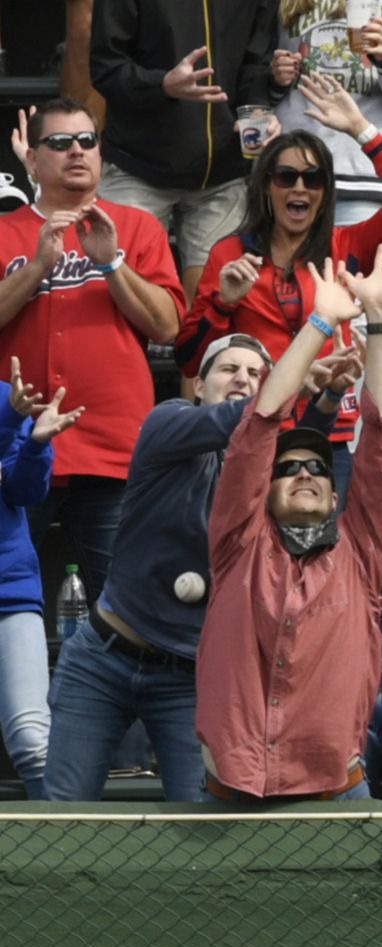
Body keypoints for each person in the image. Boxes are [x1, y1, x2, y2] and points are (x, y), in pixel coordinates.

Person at [196, 242, 382, 803]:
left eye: (317, 467)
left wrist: (380, 318)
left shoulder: (359, 554)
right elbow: (262, 419)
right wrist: (320, 321)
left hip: (334, 790)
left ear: (335, 490)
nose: (304, 474)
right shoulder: (236, 542)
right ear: (262, 491)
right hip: (234, 790)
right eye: (287, 469)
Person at [44, 334, 277, 803]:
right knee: (62, 820)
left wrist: (328, 396)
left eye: (255, 374)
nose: (242, 379)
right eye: (229, 368)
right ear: (198, 384)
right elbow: (246, 418)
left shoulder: (268, 475)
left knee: (197, 830)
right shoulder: (167, 421)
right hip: (102, 659)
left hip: (190, 678)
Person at [175, 73, 382, 472]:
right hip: (257, 426)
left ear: (326, 191)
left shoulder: (346, 246)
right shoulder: (232, 252)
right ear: (266, 187)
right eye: (285, 177)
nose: (300, 188)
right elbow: (189, 359)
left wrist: (362, 130)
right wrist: (223, 304)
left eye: (313, 179)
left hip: (329, 430)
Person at [0, 97, 185, 602]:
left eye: (87, 141)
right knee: (4, 604)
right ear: (32, 159)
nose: (77, 151)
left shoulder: (138, 227)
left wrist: (112, 264)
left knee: (127, 608)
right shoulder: (4, 231)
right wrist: (36, 266)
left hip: (112, 449)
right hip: (16, 450)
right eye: (59, 143)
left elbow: (168, 326)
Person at [90, 0, 279, 295]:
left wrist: (257, 114)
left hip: (222, 175)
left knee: (216, 303)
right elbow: (106, 67)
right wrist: (161, 84)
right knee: (124, 299)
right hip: (138, 169)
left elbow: (256, 63)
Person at [269, 0, 382, 225]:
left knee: (354, 262)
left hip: (363, 176)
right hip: (292, 172)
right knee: (285, 261)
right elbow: (255, 72)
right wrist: (276, 77)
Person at [0, 366, 79, 800]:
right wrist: (10, 424)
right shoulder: (9, 410)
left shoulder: (9, 400)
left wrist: (34, 443)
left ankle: (64, 863)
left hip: (9, 591)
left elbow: (25, 493)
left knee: (34, 743)